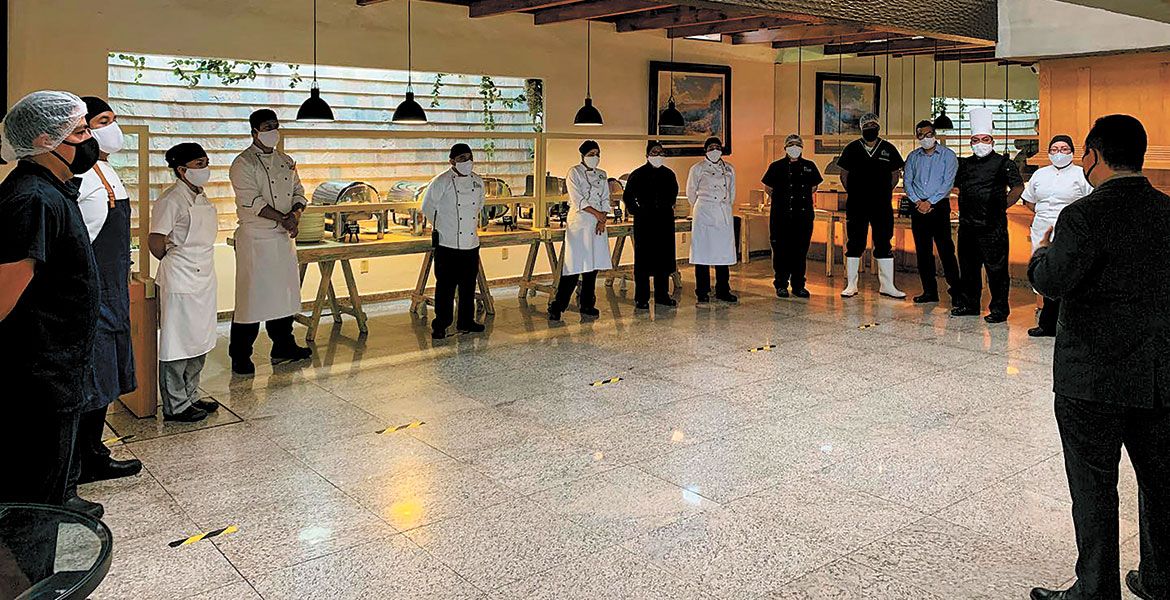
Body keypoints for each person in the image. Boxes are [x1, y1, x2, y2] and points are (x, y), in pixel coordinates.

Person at [1028, 115, 1169, 600]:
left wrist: (1040, 254)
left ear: (1092, 155)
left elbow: (1053, 282)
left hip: (1092, 377)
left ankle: (1096, 589)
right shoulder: (1167, 211)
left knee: (1093, 488)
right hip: (1158, 374)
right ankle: (1160, 580)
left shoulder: (1082, 215)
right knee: (1161, 484)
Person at [0, 91, 100, 510]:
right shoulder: (32, 200)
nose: (90, 140)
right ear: (45, 140)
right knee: (32, 498)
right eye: (80, 132)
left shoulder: (55, 191)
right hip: (37, 375)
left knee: (50, 484)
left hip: (59, 368)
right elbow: (4, 295)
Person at [67, 97, 142, 504]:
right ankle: (73, 469)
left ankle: (94, 453)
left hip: (113, 287)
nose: (112, 128)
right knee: (88, 380)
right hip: (90, 289)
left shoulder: (109, 171)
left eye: (114, 120)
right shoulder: (79, 178)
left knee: (107, 376)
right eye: (101, 121)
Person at [227, 109, 312, 374]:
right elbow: (252, 202)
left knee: (284, 295)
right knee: (250, 298)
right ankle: (240, 355)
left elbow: (299, 192)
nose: (273, 131)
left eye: (275, 126)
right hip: (256, 238)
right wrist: (284, 219)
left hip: (283, 239)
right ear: (254, 132)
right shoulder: (243, 164)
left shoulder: (286, 160)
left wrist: (295, 214)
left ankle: (283, 346)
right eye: (267, 127)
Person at [149, 143, 221, 423]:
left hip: (204, 276)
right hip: (180, 276)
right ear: (181, 170)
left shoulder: (200, 195)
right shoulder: (171, 200)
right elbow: (156, 241)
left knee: (199, 339)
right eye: (199, 164)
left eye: (206, 162)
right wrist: (177, 259)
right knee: (177, 342)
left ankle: (191, 395)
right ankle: (175, 405)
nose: (205, 169)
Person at [951, 107, 1024, 323]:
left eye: (985, 139)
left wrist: (1001, 206)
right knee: (968, 269)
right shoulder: (964, 164)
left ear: (992, 141)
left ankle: (999, 310)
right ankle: (970, 304)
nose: (980, 143)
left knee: (997, 271)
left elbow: (1018, 188)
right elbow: (956, 187)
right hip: (967, 225)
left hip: (993, 227)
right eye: (976, 140)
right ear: (971, 143)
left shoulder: (1004, 163)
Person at [1022, 135, 1092, 337]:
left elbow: (1090, 202)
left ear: (1072, 152)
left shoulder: (1081, 174)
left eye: (1063, 149)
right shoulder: (1040, 174)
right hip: (1042, 228)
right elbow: (1029, 201)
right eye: (1054, 149)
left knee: (1067, 273)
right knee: (1045, 273)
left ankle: (1068, 324)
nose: (1059, 153)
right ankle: (1047, 324)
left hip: (1070, 230)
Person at [837, 113, 906, 299]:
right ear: (861, 128)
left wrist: (883, 192)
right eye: (866, 125)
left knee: (884, 241)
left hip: (881, 204)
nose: (870, 128)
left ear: (878, 127)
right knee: (855, 242)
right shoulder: (852, 149)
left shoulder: (888, 148)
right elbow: (844, 175)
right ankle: (851, 284)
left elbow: (895, 175)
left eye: (872, 125)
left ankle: (887, 285)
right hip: (857, 204)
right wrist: (855, 192)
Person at [421, 143, 486, 338]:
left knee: (468, 286)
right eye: (462, 158)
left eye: (469, 157)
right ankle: (441, 324)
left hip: (471, 243)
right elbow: (427, 207)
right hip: (447, 243)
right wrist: (443, 226)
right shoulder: (441, 181)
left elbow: (479, 205)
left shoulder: (478, 181)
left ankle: (466, 321)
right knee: (445, 287)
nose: (467, 161)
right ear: (452, 161)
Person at [549, 140, 612, 321]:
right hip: (580, 222)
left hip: (598, 225)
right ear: (582, 155)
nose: (595, 157)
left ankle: (587, 304)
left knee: (592, 267)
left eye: (597, 154)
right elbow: (578, 199)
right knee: (574, 266)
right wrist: (597, 214)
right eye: (591, 154)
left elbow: (605, 198)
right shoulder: (574, 172)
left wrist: (602, 218)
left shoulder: (602, 174)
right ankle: (558, 305)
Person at [903, 119, 960, 305]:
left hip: (939, 207)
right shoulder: (913, 157)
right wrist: (918, 202)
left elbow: (948, 183)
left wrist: (930, 202)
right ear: (917, 136)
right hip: (918, 208)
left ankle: (957, 292)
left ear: (934, 134)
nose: (925, 138)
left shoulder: (948, 156)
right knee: (923, 252)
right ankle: (929, 292)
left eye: (929, 134)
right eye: (921, 135)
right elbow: (908, 183)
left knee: (946, 250)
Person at [762, 133, 822, 298]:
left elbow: (814, 187)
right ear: (785, 148)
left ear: (802, 147)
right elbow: (768, 188)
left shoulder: (809, 166)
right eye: (791, 145)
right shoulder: (776, 167)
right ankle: (781, 284)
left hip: (803, 217)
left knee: (800, 252)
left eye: (797, 144)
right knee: (780, 251)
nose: (794, 147)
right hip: (780, 216)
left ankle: (798, 285)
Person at [622, 140, 679, 309]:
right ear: (647, 155)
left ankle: (662, 295)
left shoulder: (669, 174)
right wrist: (636, 211)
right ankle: (642, 298)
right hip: (644, 220)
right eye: (654, 152)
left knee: (663, 258)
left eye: (660, 152)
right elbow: (628, 197)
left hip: (664, 220)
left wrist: (665, 206)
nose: (658, 155)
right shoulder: (637, 174)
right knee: (643, 261)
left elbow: (673, 195)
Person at [687, 136, 738, 303]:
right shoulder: (697, 168)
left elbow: (732, 192)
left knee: (723, 254)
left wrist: (724, 207)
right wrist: (704, 206)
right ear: (705, 151)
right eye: (711, 148)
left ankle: (723, 289)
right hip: (704, 213)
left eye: (717, 147)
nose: (714, 150)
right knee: (702, 254)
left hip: (723, 213)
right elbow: (691, 193)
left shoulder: (729, 168)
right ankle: (702, 290)